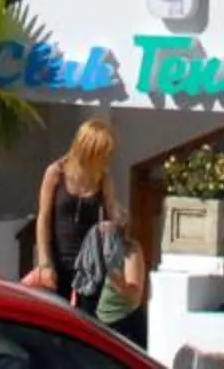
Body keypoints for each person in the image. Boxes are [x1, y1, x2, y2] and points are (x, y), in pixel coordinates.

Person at [23, 116, 126, 314]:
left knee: (85, 318)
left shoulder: (102, 178)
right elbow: (43, 219)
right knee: (54, 315)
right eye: (102, 153)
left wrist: (119, 220)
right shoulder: (56, 173)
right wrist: (45, 263)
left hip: (88, 266)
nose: (106, 159)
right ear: (88, 149)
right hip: (57, 261)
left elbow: (112, 212)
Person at [77, 215, 149, 347]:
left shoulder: (130, 250)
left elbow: (134, 294)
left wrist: (116, 279)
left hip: (124, 325)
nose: (104, 227)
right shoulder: (92, 248)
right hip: (98, 323)